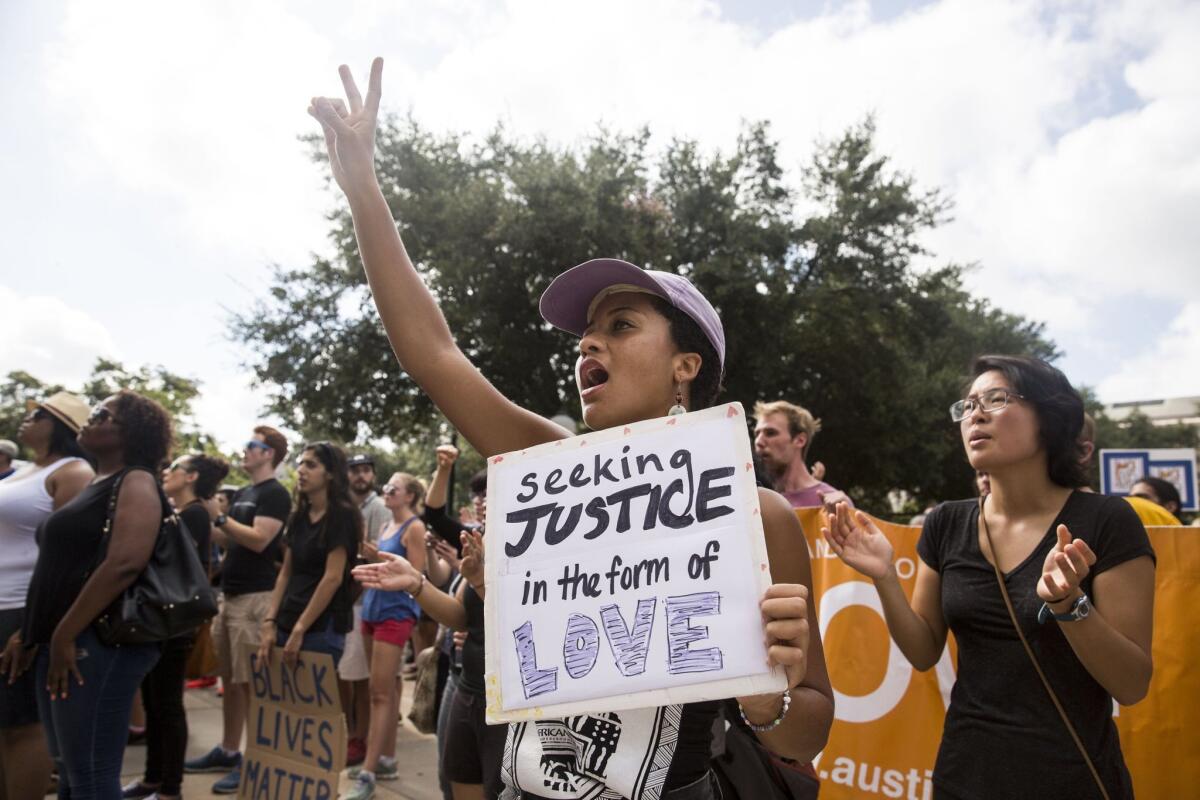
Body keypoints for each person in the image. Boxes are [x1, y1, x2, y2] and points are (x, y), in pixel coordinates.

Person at [313, 58, 831, 800]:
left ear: (687, 364)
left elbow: (811, 725)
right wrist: (363, 187)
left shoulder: (760, 515)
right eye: (585, 333)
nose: (590, 344)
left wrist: (766, 695)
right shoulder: (552, 471)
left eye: (621, 326)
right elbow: (433, 353)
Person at [824, 355, 1155, 799]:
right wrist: (884, 575)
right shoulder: (945, 523)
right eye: (967, 405)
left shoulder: (1108, 519)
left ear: (1049, 417)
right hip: (966, 775)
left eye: (996, 399)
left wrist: (1069, 606)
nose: (975, 415)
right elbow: (923, 651)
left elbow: (1131, 684)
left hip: (1074, 778)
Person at [18, 391, 173, 799]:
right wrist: (35, 630)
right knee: (71, 774)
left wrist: (65, 634)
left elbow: (124, 563)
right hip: (65, 639)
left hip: (98, 644)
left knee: (91, 777)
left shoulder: (135, 480)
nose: (91, 417)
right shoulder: (98, 481)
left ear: (129, 432)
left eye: (103, 413)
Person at [185, 426, 291, 794]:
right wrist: (204, 516)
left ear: (269, 454)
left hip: (255, 600)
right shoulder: (246, 492)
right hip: (229, 597)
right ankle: (229, 749)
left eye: (252, 446)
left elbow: (261, 541)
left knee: (252, 686)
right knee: (229, 681)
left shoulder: (276, 494)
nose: (244, 451)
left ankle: (255, 757)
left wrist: (219, 518)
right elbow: (229, 539)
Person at [0, 393, 93, 800]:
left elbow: (69, 557)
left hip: (20, 611)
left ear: (59, 425)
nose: (27, 417)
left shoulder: (73, 472)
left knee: (23, 725)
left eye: (38, 414)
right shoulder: (24, 470)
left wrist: (33, 629)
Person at [122, 453, 230, 800]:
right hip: (162, 618)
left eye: (176, 469)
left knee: (167, 704)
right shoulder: (180, 512)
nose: (167, 473)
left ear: (192, 477)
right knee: (154, 701)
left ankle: (171, 788)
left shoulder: (195, 513)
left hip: (175, 620)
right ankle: (153, 779)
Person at [344, 472, 427, 800]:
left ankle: (368, 774)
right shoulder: (384, 526)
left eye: (394, 488)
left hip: (395, 615)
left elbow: (415, 579)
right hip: (372, 610)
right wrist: (373, 555)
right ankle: (386, 760)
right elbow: (388, 565)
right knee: (383, 690)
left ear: (409, 496)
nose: (386, 491)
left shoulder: (415, 527)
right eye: (387, 486)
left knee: (379, 693)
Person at [257, 442, 361, 671]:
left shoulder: (342, 516)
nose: (301, 470)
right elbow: (286, 572)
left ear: (331, 474)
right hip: (286, 620)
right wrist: (269, 621)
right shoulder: (299, 516)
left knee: (310, 708)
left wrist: (300, 629)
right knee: (281, 705)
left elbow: (332, 578)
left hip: (321, 628)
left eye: (311, 465)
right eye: (301, 463)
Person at [340, 453, 394, 765]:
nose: (361, 476)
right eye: (355, 471)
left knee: (362, 678)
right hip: (346, 602)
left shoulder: (378, 507)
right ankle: (351, 733)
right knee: (347, 675)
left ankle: (358, 738)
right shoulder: (347, 506)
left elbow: (373, 556)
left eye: (365, 471)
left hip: (364, 601)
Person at [753, 400, 850, 508]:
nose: (759, 442)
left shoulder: (835, 504)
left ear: (800, 440)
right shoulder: (752, 503)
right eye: (757, 434)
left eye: (771, 433)